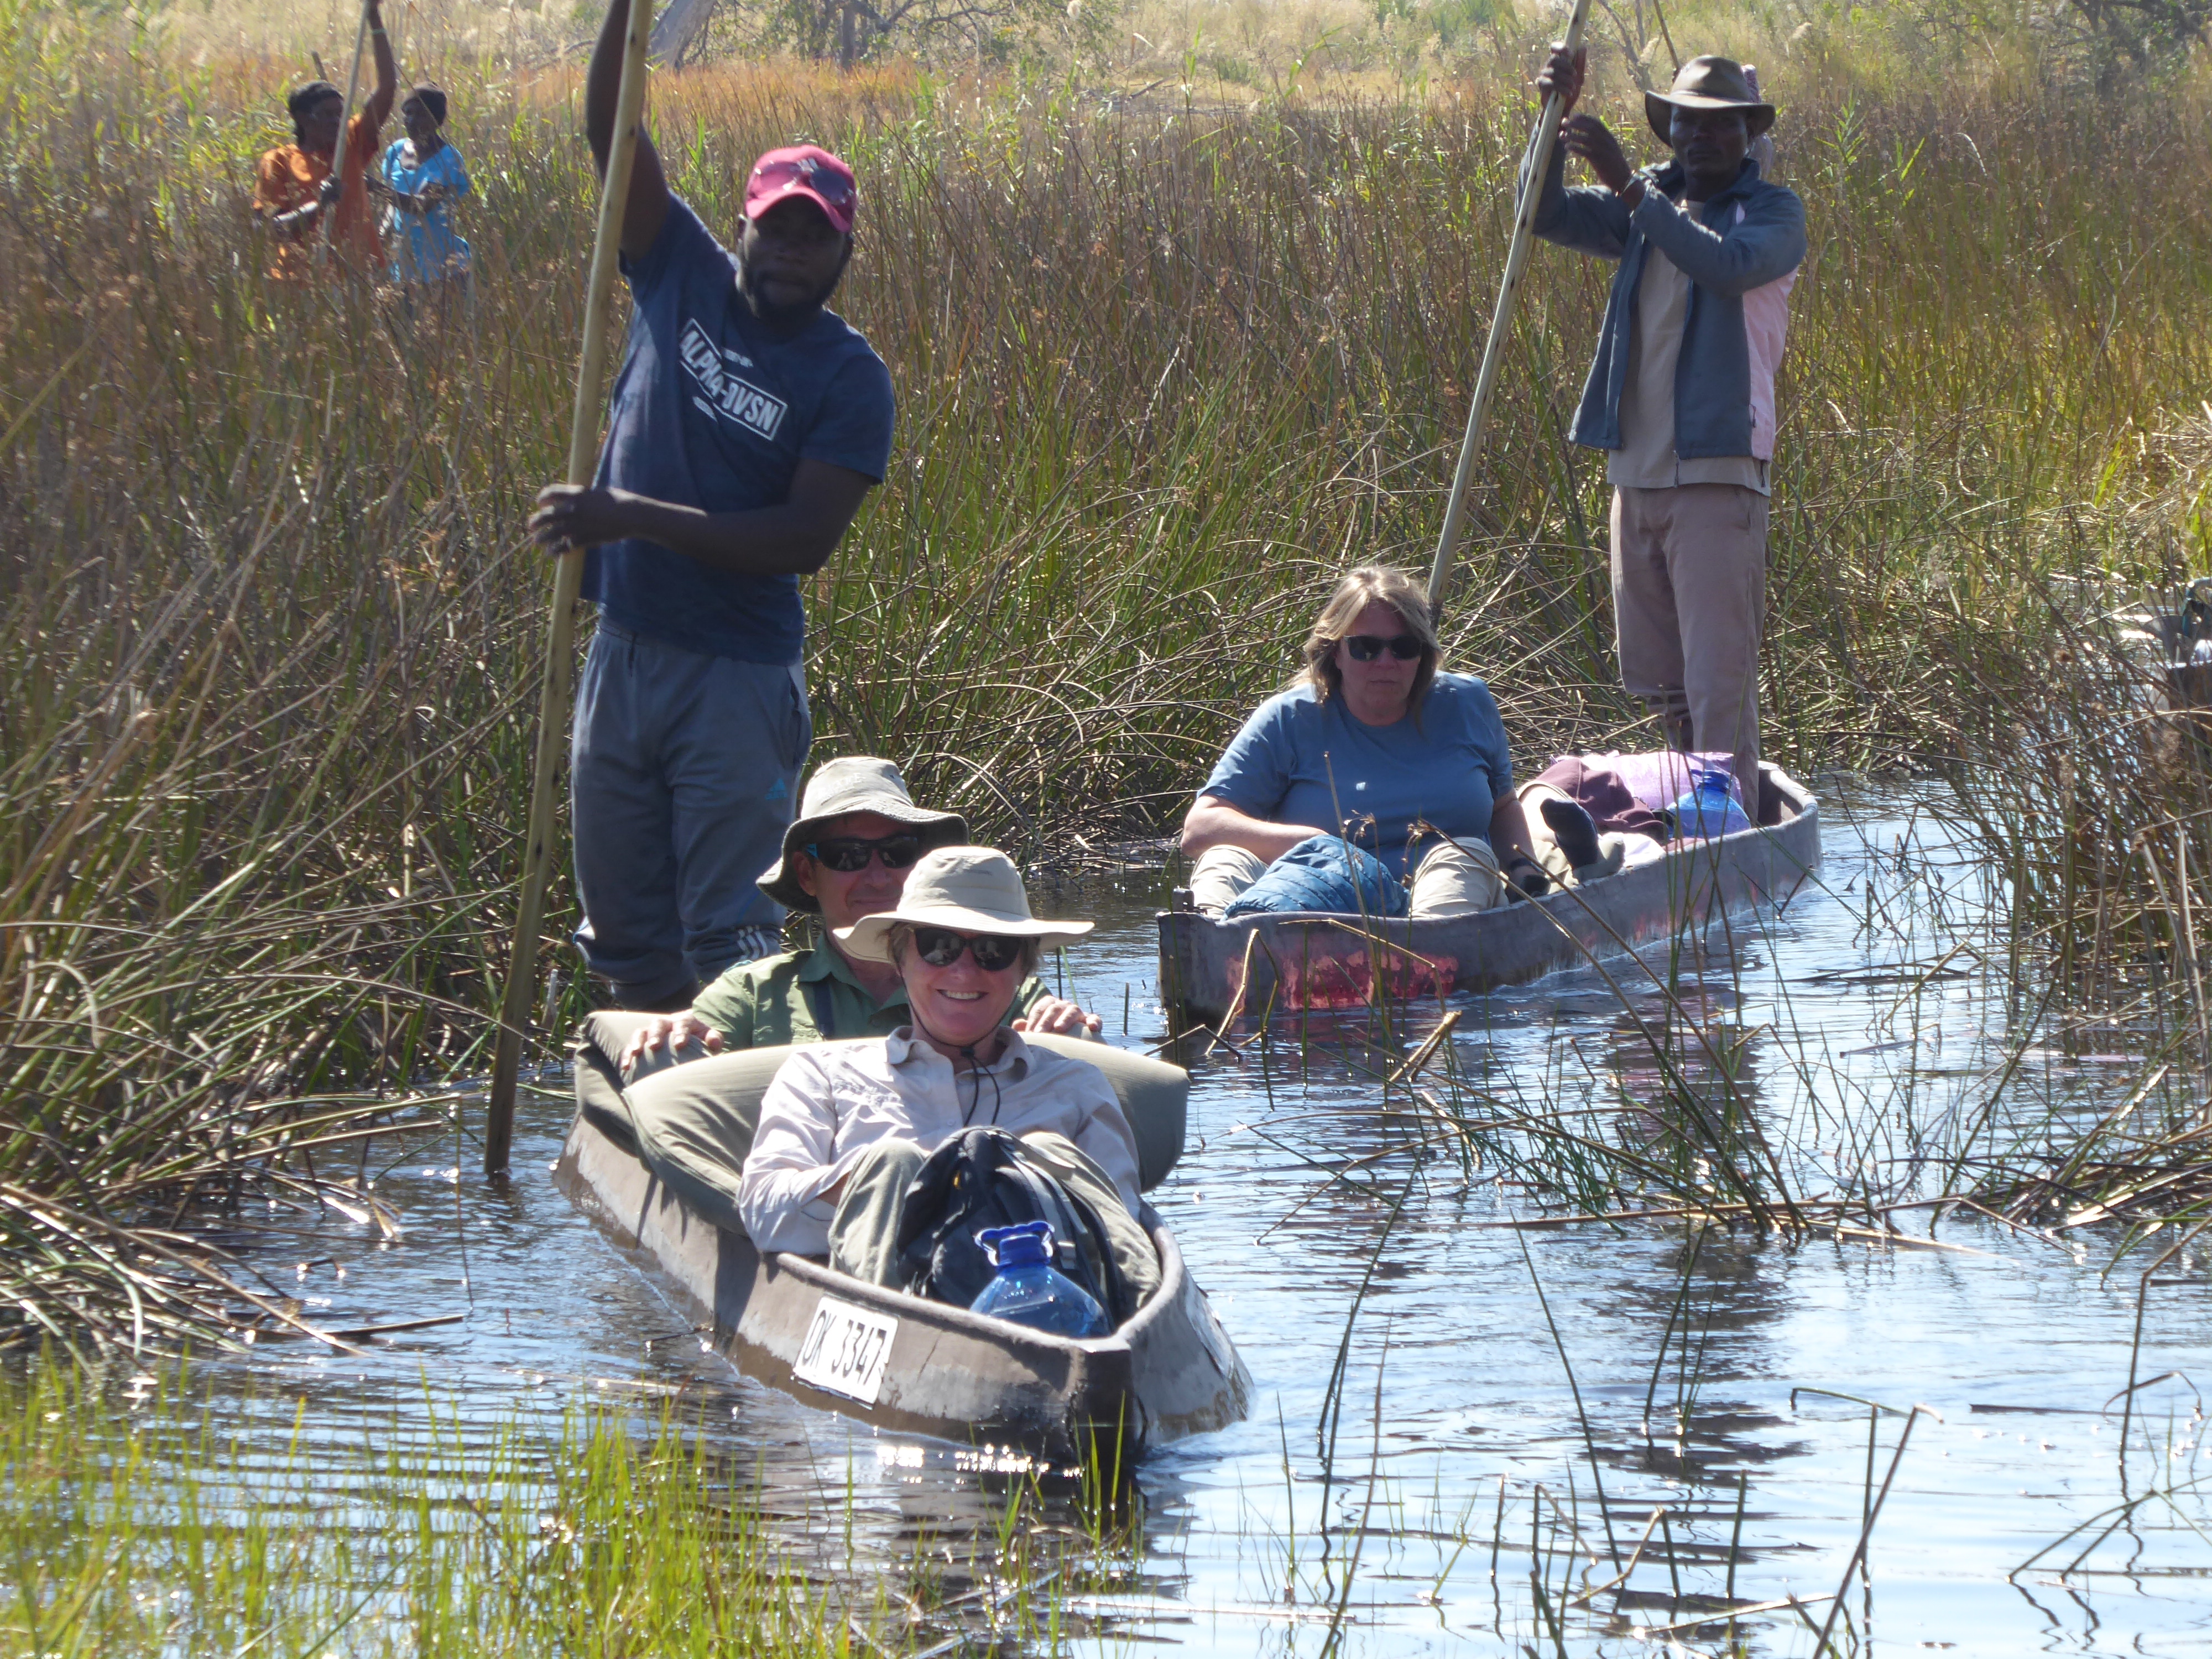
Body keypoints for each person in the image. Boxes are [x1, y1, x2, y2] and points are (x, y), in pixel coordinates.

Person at [527, 0, 896, 1011]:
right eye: (771, 231)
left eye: (810, 241)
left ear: (842, 255)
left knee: (725, 937)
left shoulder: (848, 378)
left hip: (736, 674)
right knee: (625, 932)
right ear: (737, 227)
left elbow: (801, 539)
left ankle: (737, 1124)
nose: (787, 254)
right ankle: (640, 1114)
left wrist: (629, 516)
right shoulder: (679, 270)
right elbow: (611, 131)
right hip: (625, 648)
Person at [1530, 47, 1806, 817]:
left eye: (1720, 124)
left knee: (1720, 687)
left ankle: (1726, 847)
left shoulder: (1774, 215)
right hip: (1637, 475)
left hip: (1718, 476)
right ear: (1669, 128)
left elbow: (1724, 266)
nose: (1699, 136)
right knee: (1665, 687)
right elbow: (1543, 215)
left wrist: (1626, 187)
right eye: (1686, 119)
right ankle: (1697, 818)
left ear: (1749, 132)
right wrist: (1550, 125)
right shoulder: (1649, 204)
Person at [738, 846, 1158, 1305]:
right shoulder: (821, 1075)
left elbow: (1123, 1226)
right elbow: (763, 1212)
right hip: (882, 1321)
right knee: (890, 1161)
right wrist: (898, 1181)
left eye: (993, 951)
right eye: (938, 946)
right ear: (900, 960)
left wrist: (1018, 1180)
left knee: (1046, 1152)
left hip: (1049, 1316)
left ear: (1022, 969)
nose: (963, 969)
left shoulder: (1077, 1086)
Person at [616, 755, 1098, 1072]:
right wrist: (673, 1037)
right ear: (807, 874)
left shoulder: (995, 980)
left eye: (897, 851)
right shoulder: (754, 993)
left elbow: (1068, 1066)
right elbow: (685, 1064)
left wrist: (1068, 1036)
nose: (877, 876)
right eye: (847, 856)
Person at [1179, 565, 1546, 916]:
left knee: (1465, 853)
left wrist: (1522, 868)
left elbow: (1502, 807)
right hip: (1315, 892)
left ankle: (1424, 961)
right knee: (1223, 858)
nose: (1386, 663)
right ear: (1335, 651)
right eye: (1366, 648)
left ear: (1423, 655)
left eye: (1403, 648)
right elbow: (1201, 829)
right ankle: (1214, 948)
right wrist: (1310, 843)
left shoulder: (1469, 703)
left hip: (1446, 896)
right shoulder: (1289, 718)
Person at [251, 0, 399, 280]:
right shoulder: (279, 161)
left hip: (361, 274)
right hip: (305, 281)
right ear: (303, 119)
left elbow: (388, 88)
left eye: (341, 114)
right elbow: (268, 230)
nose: (338, 122)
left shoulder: (351, 143)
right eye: (327, 115)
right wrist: (318, 205)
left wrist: (374, 18)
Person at [377, 83, 471, 290]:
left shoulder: (449, 159)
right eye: (408, 113)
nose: (411, 121)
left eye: (420, 115)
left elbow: (421, 206)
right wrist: (383, 231)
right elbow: (393, 206)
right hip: (404, 267)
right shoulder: (396, 151)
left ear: (436, 119)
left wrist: (374, 187)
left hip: (444, 267)